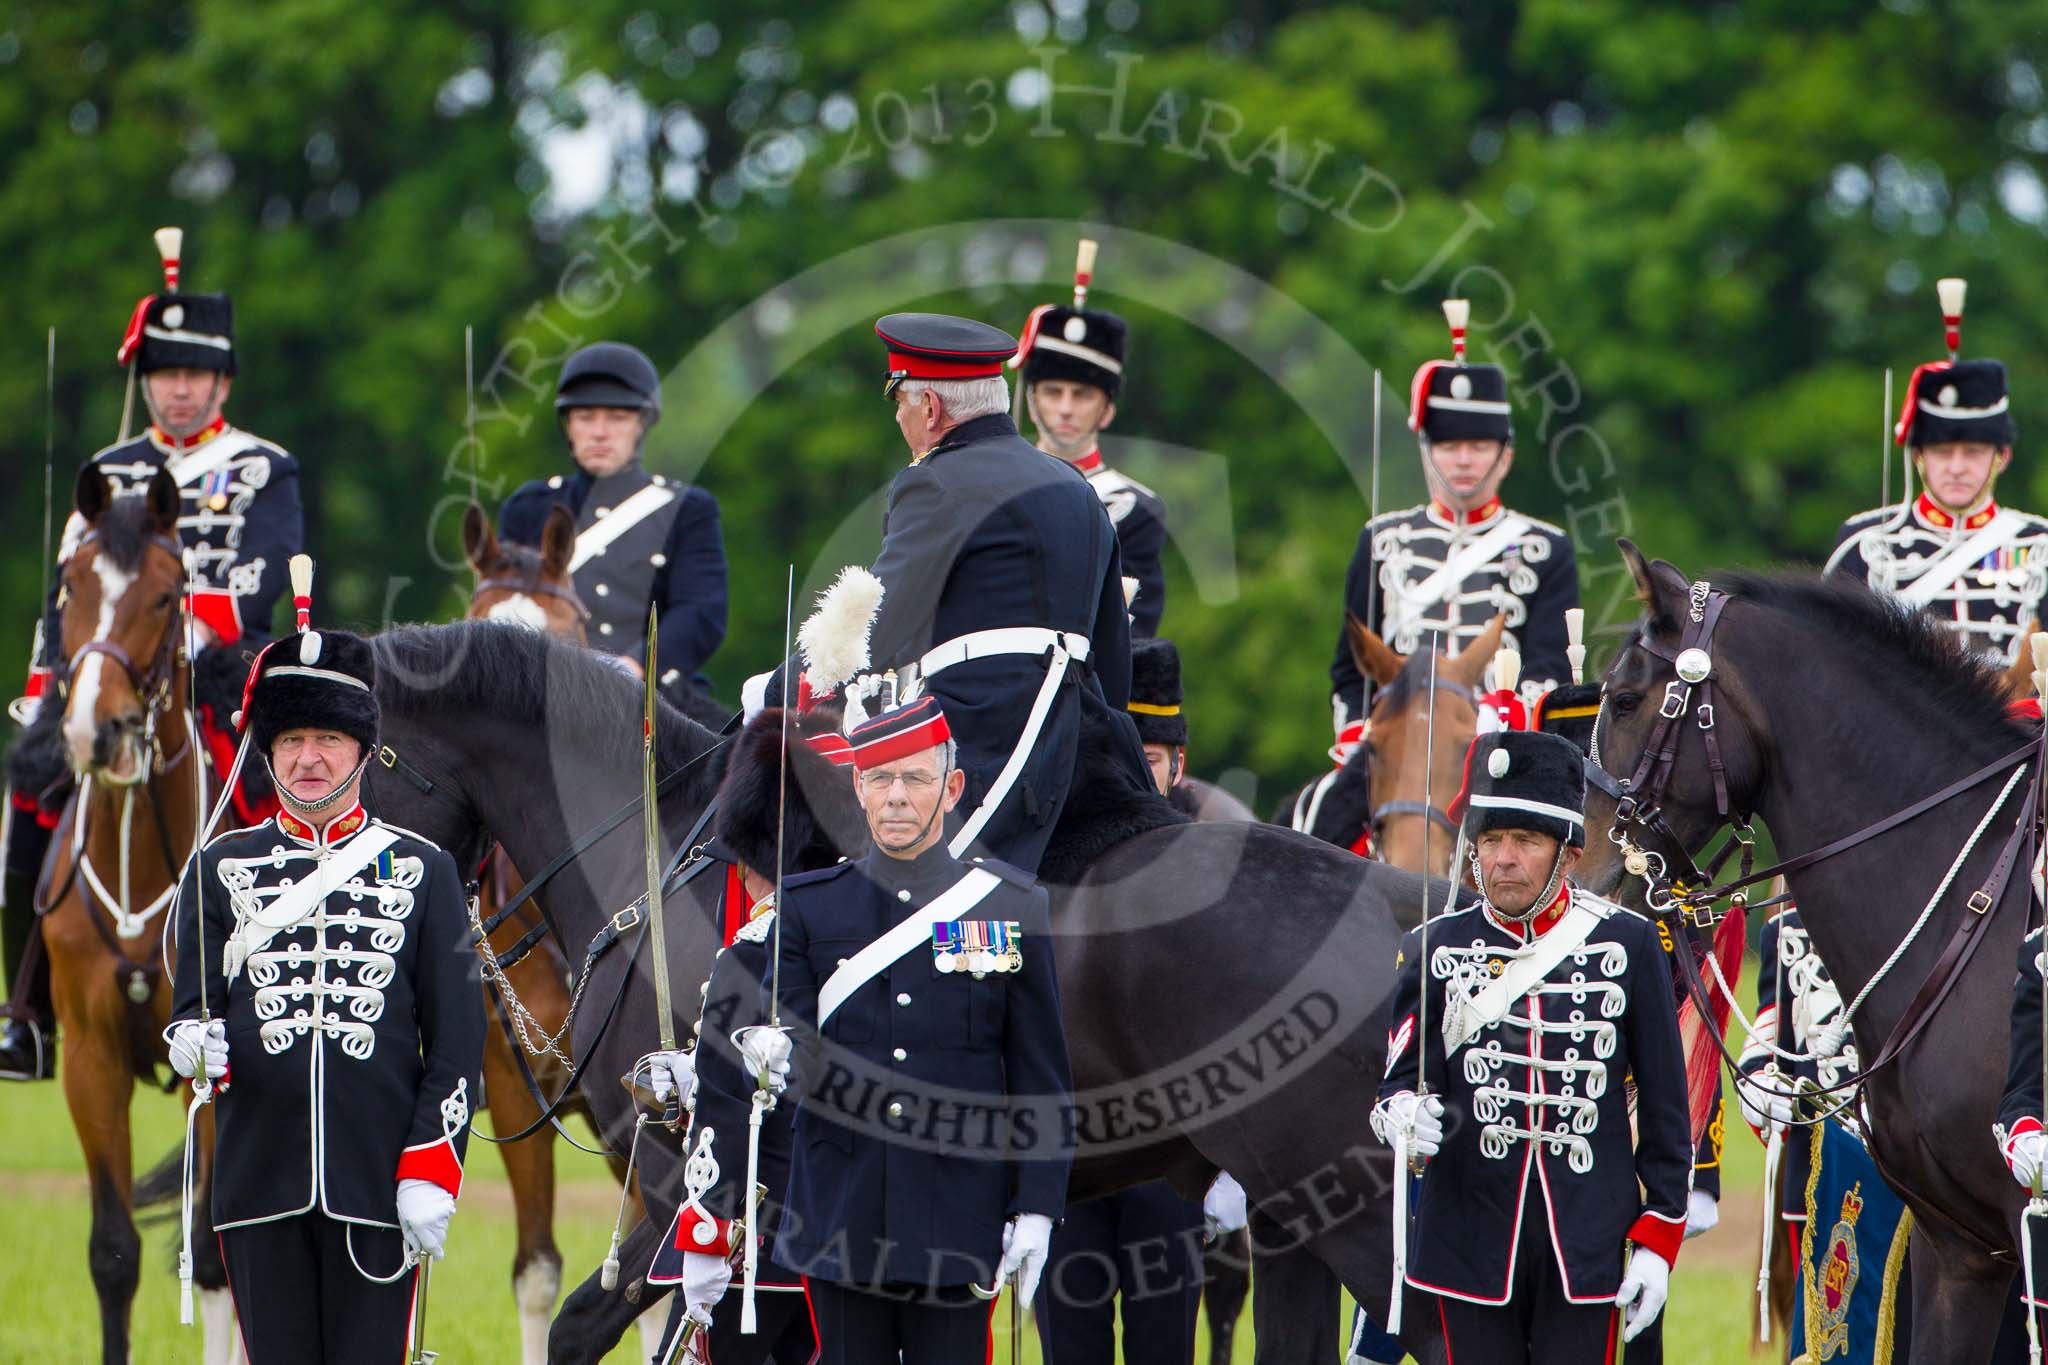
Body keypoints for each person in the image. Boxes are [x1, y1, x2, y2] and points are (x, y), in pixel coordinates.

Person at [680, 696, 1075, 1363]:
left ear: (951, 789)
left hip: (957, 1212)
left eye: (916, 778)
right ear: (857, 789)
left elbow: (1041, 1073)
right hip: (841, 1211)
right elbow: (801, 1046)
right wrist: (774, 1052)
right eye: (880, 777)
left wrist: (1037, 1205)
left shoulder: (1009, 907)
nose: (897, 796)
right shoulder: (809, 905)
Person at [3, 228, 303, 1080]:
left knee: (270, 807)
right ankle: (24, 1014)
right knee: (25, 809)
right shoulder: (109, 467)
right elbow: (65, 591)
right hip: (102, 672)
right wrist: (45, 689)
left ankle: (278, 995)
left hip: (215, 672)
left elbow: (258, 584)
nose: (178, 389)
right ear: (148, 381)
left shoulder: (262, 468)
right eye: (165, 374)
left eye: (195, 374)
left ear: (221, 381)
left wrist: (180, 630)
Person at [165, 606, 483, 1362]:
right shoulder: (217, 868)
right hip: (257, 1186)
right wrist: (189, 1042)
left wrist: (431, 1169)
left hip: (378, 1185)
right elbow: (190, 1010)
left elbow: (457, 1042)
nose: (310, 757)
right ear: (269, 752)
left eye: (328, 739)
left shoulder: (423, 870)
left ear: (363, 749)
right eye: (292, 740)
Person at [752, 312, 1151, 876]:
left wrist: (772, 691)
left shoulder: (935, 479)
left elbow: (878, 630)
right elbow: (1112, 653)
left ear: (931, 408)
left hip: (986, 742)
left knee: (846, 888)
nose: (899, 417)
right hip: (1094, 745)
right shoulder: (1076, 486)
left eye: (901, 402)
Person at [1374, 728, 1690, 1362]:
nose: (1503, 859)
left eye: (1525, 841)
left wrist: (1658, 1239)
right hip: (1468, 1241)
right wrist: (1402, 1114)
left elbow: (1664, 1109)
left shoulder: (1626, 945)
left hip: (1588, 1246)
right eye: (1491, 840)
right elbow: (1396, 1081)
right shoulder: (1434, 947)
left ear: (1568, 854)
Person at [1035, 635, 1245, 1364]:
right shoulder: (1046, 863)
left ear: (1176, 764)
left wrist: (1228, 1161)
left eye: (1147, 761)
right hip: (1068, 1164)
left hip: (1170, 1164)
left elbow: (1232, 1029)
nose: (1129, 775)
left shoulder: (1211, 869)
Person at [1328, 300, 1576, 762]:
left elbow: (1548, 670)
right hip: (1393, 756)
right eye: (1449, 446)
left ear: (1505, 456)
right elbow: (1351, 671)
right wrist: (1362, 739)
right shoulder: (1381, 541)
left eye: (1479, 446)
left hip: (1499, 754)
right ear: (1427, 452)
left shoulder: (1545, 550)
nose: (1463, 461)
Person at [1826, 278, 2048, 665]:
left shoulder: (2038, 545)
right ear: (1918, 457)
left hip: (2015, 725)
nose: (1957, 467)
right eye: (1943, 452)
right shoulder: (1866, 542)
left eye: (1974, 452)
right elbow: (1831, 660)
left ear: (2003, 456)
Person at [499, 341, 728, 699]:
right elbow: (506, 610)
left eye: (617, 417)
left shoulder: (687, 509)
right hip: (543, 700)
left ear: (642, 425)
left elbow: (701, 612)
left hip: (654, 700)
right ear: (569, 427)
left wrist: (632, 668)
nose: (600, 431)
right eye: (585, 417)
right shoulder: (529, 508)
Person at [1011, 281, 1169, 635]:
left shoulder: (1133, 509)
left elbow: (1134, 633)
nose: (1066, 408)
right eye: (1053, 392)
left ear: (1107, 410)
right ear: (1033, 403)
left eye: (1081, 395)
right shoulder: (993, 489)